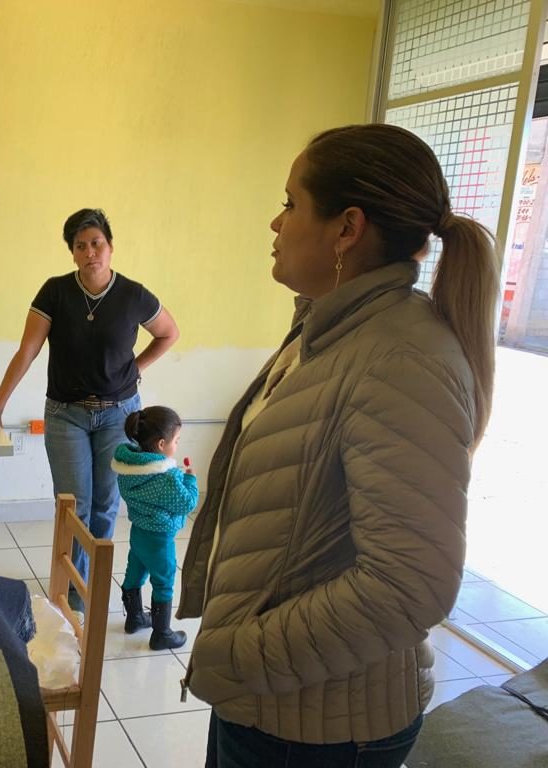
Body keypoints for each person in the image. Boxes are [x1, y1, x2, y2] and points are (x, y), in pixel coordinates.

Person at [177, 124, 499, 768]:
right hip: (272, 701)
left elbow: (410, 583)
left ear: (347, 228)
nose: (276, 222)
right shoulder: (332, 328)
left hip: (318, 728)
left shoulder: (401, 358)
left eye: (291, 202)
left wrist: (241, 658)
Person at [0, 208, 180, 607]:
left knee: (105, 504)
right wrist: (0, 399)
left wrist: (134, 369)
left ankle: (93, 588)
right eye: (80, 246)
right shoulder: (55, 292)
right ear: (72, 252)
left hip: (118, 413)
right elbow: (28, 349)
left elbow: (168, 333)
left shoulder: (133, 295)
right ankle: (73, 591)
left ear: (110, 247)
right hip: (65, 413)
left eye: (96, 244)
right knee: (73, 505)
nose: (90, 253)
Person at [112, 406, 198, 650]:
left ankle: (135, 618)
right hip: (160, 538)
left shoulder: (128, 469)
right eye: (176, 440)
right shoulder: (166, 477)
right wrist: (190, 478)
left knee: (134, 573)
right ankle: (162, 634)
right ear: (161, 444)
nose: (177, 445)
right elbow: (187, 503)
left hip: (138, 532)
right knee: (164, 581)